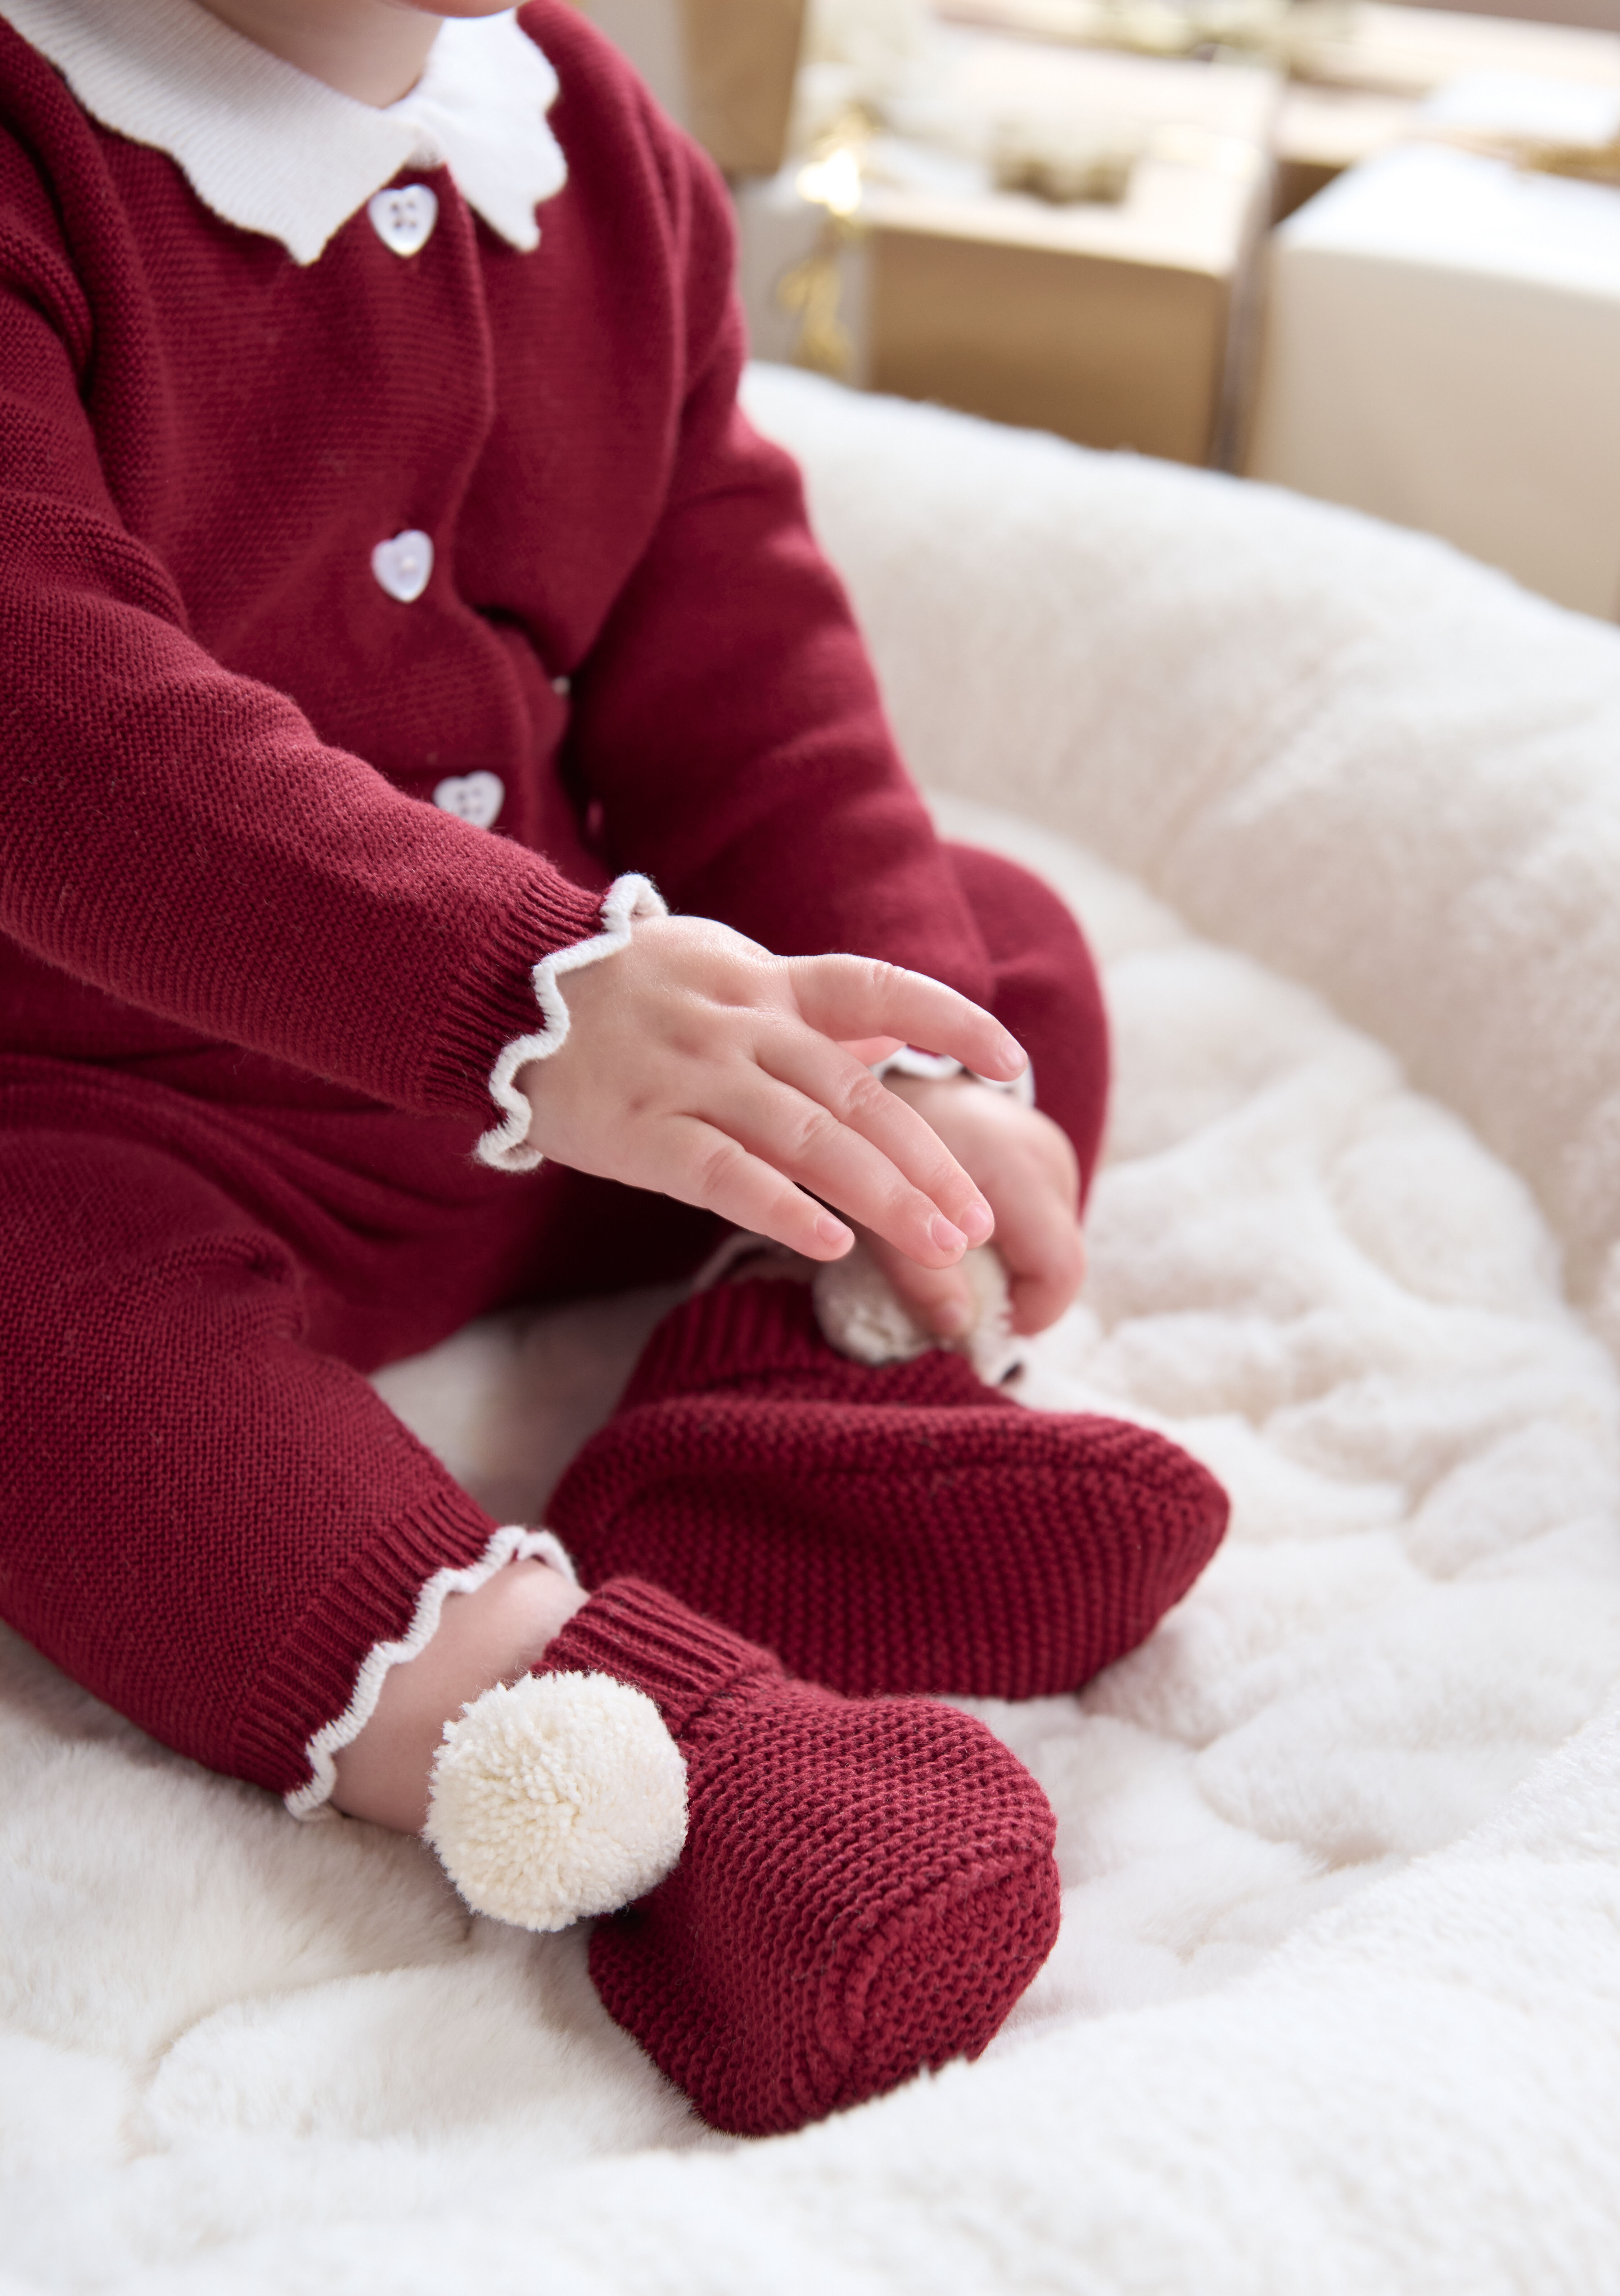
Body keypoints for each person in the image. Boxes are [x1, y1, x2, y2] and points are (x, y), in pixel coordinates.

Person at [0, 0, 1228, 2136]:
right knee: (34, 1334)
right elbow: (58, 740)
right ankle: (623, 1754)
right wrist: (523, 990)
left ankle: (781, 1415)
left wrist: (893, 1073)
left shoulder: (582, 134)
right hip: (121, 1100)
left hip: (587, 1048)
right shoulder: (38, 150)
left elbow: (731, 644)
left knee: (975, 952)